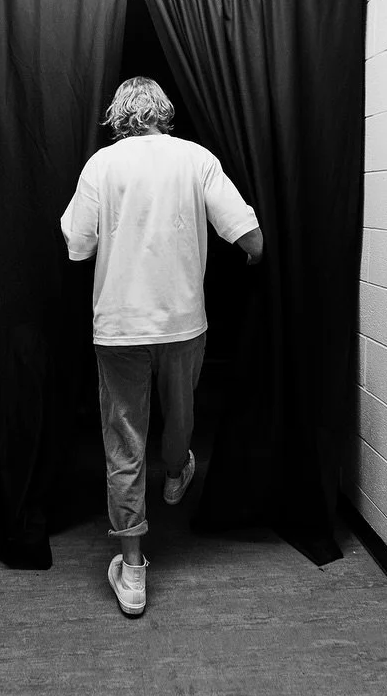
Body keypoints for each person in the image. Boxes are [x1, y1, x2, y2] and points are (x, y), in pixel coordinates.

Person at [59, 76, 263, 617]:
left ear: (118, 116)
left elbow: (78, 248)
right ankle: (175, 472)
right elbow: (249, 236)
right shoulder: (196, 159)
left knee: (123, 440)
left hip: (120, 327)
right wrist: (253, 255)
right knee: (181, 412)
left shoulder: (101, 166)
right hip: (182, 321)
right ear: (164, 113)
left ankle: (131, 571)